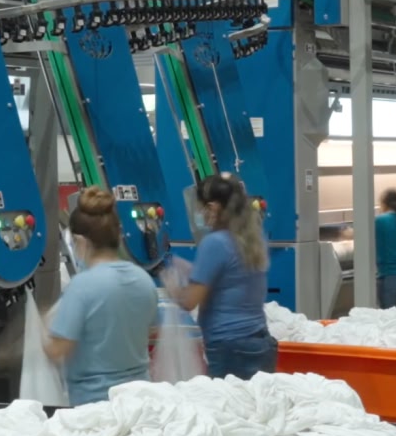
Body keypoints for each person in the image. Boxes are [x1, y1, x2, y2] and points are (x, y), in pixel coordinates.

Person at [43, 187, 159, 405]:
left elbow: (57, 350)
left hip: (95, 403)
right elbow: (151, 329)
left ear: (80, 241)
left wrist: (38, 332)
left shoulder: (82, 287)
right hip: (141, 401)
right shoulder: (143, 280)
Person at [172, 173, 277, 380]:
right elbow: (230, 277)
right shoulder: (254, 239)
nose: (200, 214)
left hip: (230, 347)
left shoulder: (214, 243)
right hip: (260, 343)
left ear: (213, 208)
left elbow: (189, 302)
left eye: (202, 208)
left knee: (227, 409)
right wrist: (196, 270)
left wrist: (171, 284)